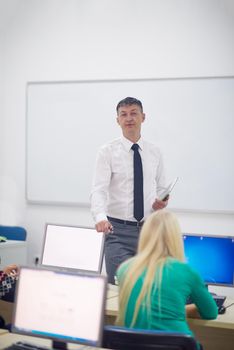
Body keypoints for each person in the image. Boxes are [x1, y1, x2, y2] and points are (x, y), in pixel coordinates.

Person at [91, 97, 168, 284]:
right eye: (123, 114)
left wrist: (162, 200)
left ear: (143, 117)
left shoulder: (155, 151)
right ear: (118, 120)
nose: (129, 118)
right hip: (118, 232)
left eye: (134, 113)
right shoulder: (107, 151)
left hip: (149, 231)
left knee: (151, 287)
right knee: (120, 289)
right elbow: (98, 189)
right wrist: (100, 217)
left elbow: (162, 187)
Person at [116, 210, 218, 349]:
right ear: (175, 238)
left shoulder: (125, 269)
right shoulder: (187, 272)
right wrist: (185, 309)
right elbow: (210, 313)